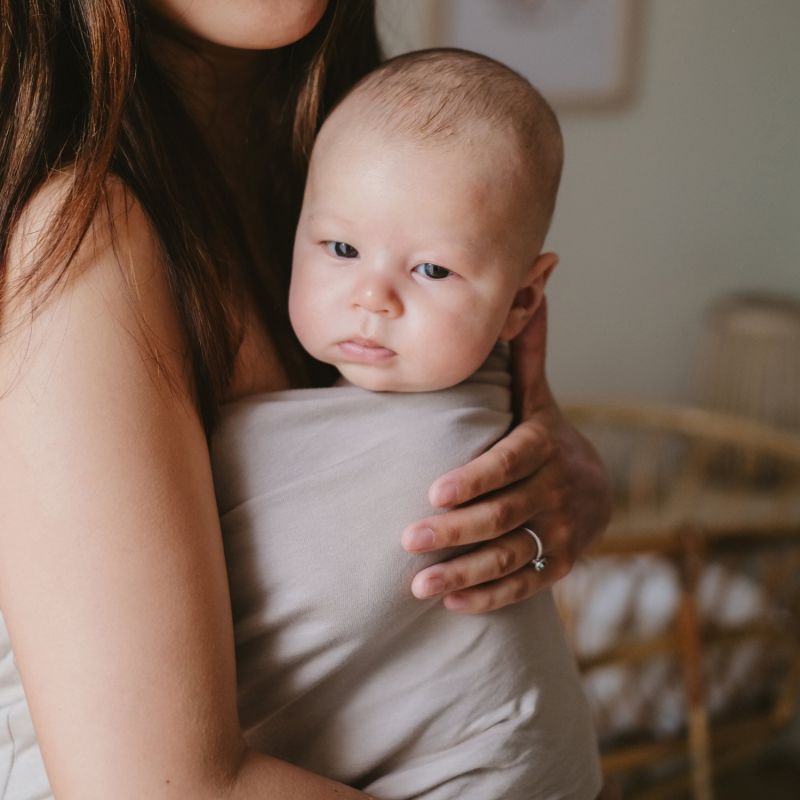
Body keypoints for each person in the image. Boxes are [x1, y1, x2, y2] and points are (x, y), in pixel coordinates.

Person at [0, 2, 610, 798]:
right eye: (342, 250)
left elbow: (465, 489)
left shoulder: (372, 143)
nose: (376, 293)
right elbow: (159, 789)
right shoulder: (81, 237)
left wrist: (566, 495)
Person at [208, 47, 602, 798]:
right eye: (342, 249)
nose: (374, 298)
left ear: (523, 302)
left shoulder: (465, 444)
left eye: (431, 270)